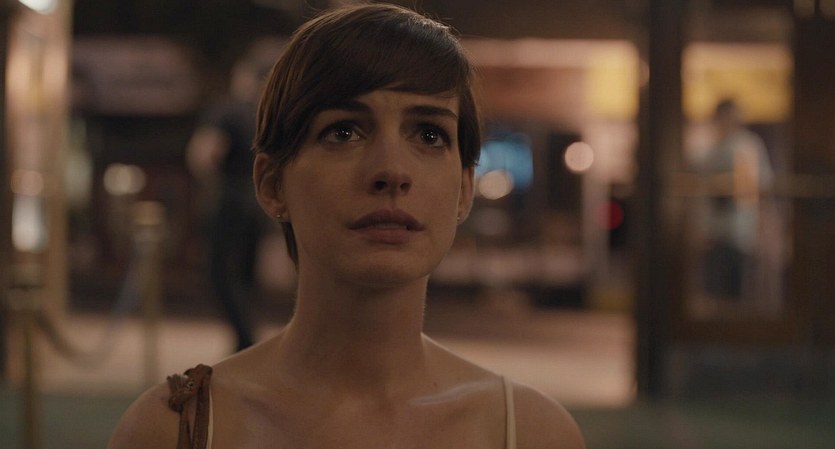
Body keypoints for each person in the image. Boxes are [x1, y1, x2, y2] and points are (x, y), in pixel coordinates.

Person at [107, 4, 585, 449]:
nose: (392, 171)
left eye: (429, 134)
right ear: (272, 183)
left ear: (464, 189)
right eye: (343, 132)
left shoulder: (530, 433)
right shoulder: (176, 430)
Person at [186, 54, 268, 351]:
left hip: (230, 198)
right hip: (260, 202)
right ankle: (245, 341)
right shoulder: (267, 116)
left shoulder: (226, 110)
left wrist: (211, 184)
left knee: (218, 273)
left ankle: (245, 340)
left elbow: (204, 154)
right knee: (246, 277)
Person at [697, 98, 774, 301]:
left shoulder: (747, 146)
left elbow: (762, 190)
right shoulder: (711, 152)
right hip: (715, 233)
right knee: (716, 292)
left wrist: (765, 230)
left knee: (740, 292)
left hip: (742, 232)